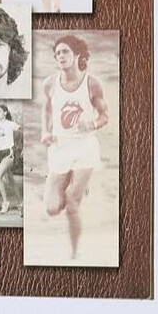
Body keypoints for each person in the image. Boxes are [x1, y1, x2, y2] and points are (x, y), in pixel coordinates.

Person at [41, 34, 108, 259]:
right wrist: (45, 131)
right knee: (52, 208)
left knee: (72, 204)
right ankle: (73, 181)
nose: (61, 56)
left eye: (65, 52)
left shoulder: (92, 83)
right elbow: (47, 110)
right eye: (58, 53)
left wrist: (92, 124)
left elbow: (104, 116)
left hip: (84, 147)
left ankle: (74, 254)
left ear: (77, 55)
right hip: (60, 147)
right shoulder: (49, 84)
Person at [0, 104, 21, 215]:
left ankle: (5, 203)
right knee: (11, 181)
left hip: (8, 154)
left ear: (5, 112)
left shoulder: (11, 124)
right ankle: (21, 204)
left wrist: (19, 147)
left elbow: (22, 132)